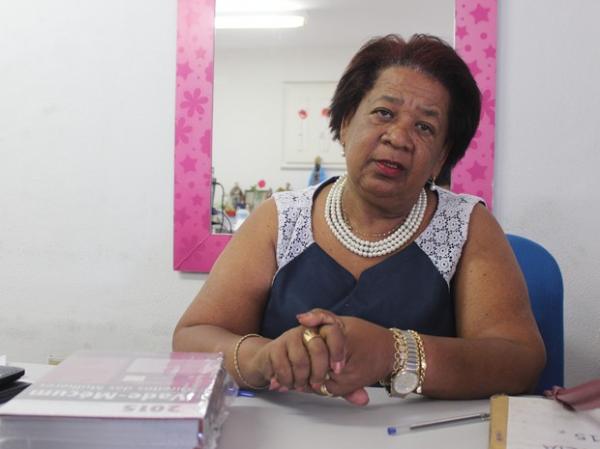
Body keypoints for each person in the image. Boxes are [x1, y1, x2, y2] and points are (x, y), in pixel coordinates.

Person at [173, 34, 546, 406]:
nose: (399, 137)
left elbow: (520, 362)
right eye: (384, 113)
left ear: (441, 157)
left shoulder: (467, 225)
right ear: (347, 122)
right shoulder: (280, 218)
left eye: (425, 127)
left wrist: (394, 352)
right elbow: (192, 337)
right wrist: (261, 358)